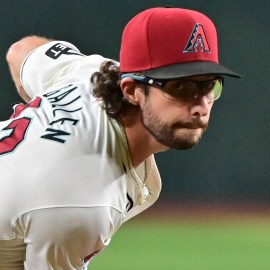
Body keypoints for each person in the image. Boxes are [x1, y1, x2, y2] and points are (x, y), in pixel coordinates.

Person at [0, 7, 241, 270]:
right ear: (131, 90)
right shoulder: (81, 202)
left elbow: (22, 50)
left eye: (208, 86)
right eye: (180, 87)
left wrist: (45, 129)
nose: (201, 106)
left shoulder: (89, 73)